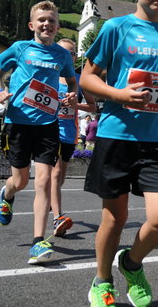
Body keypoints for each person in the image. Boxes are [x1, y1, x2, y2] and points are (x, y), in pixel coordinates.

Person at [81, 0, 158, 307]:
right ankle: (102, 281)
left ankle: (131, 262)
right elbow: (87, 78)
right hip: (117, 135)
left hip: (156, 140)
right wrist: (119, 94)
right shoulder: (115, 28)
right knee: (115, 217)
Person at [0, 0, 78, 264]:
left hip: (48, 125)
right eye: (41, 20)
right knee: (21, 181)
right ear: (32, 25)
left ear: (58, 25)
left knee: (44, 181)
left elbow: (72, 79)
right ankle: (7, 194)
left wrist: (72, 94)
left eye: (51, 20)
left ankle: (38, 242)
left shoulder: (62, 56)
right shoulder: (20, 48)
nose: (47, 24)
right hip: (18, 122)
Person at [51, 39, 97, 237]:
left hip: (69, 134)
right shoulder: (48, 76)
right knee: (55, 173)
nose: (66, 55)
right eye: (61, 51)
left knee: (60, 178)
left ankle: (51, 203)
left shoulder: (78, 80)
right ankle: (57, 217)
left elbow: (93, 107)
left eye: (70, 53)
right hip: (48, 131)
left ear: (74, 57)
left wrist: (75, 105)